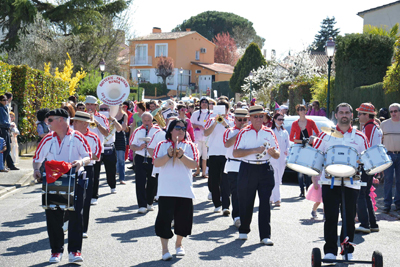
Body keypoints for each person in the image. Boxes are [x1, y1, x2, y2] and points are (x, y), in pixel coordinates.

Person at [32, 108, 91, 264]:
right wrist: (36, 169)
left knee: (76, 216)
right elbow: (38, 157)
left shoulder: (77, 137)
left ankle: (74, 251)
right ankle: (56, 251)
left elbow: (88, 156)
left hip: (75, 179)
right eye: (47, 121)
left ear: (62, 120)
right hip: (53, 180)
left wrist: (81, 162)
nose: (47, 123)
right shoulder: (47, 138)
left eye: (50, 120)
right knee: (53, 216)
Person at [313, 103, 370, 261]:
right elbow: (317, 154)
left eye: (347, 113)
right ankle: (330, 251)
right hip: (329, 182)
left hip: (352, 183)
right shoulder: (325, 135)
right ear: (336, 116)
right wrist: (314, 175)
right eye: (341, 112)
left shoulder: (360, 136)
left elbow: (366, 158)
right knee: (330, 217)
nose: (344, 115)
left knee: (349, 217)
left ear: (352, 116)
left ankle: (347, 250)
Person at [233, 105, 280, 245]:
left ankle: (265, 235)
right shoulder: (244, 132)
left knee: (265, 202)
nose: (259, 119)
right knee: (246, 201)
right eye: (256, 116)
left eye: (261, 116)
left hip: (265, 168)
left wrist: (273, 153)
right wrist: (254, 150)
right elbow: (235, 153)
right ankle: (244, 230)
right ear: (250, 118)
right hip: (248, 167)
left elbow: (277, 154)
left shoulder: (269, 132)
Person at [153, 119, 199, 261]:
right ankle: (165, 249)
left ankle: (179, 244)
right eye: (177, 128)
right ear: (171, 130)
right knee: (164, 220)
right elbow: (156, 163)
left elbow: (194, 165)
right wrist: (168, 155)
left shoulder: (190, 146)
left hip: (184, 189)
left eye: (183, 128)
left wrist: (181, 156)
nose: (181, 131)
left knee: (183, 220)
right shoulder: (162, 145)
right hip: (166, 189)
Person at [72, 111, 102, 239]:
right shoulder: (68, 135)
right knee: (69, 198)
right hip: (71, 168)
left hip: (87, 168)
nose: (72, 124)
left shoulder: (94, 137)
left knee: (85, 199)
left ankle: (83, 228)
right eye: (73, 121)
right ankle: (69, 223)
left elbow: (97, 156)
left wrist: (84, 157)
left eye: (75, 122)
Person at [204, 100, 234, 214]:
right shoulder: (211, 120)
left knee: (225, 181)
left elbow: (232, 134)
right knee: (214, 180)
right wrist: (216, 123)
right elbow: (206, 133)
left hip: (226, 154)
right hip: (213, 153)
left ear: (227, 110)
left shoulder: (231, 121)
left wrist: (225, 124)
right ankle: (217, 204)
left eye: (224, 109)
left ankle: (226, 206)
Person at [355, 103, 381, 233]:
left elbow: (367, 147)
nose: (358, 116)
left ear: (367, 115)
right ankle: (373, 223)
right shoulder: (374, 126)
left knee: (361, 193)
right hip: (372, 163)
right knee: (365, 194)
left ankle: (365, 224)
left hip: (367, 163)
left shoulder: (369, 127)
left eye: (360, 114)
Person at [130, 112, 162, 213]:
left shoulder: (158, 131)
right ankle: (142, 205)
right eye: (144, 121)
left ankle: (149, 202)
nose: (147, 123)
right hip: (140, 157)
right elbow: (131, 145)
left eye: (148, 120)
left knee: (153, 181)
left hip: (152, 158)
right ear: (142, 121)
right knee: (140, 181)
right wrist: (139, 147)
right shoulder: (137, 131)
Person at [223, 108, 249, 227]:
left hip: (247, 164)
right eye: (240, 120)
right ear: (235, 120)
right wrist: (240, 132)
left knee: (246, 193)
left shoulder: (250, 132)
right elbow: (227, 143)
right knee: (236, 192)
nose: (242, 122)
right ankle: (237, 217)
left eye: (244, 119)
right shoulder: (230, 131)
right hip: (233, 165)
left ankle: (243, 216)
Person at [290, 104, 320, 197]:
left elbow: (318, 134)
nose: (302, 111)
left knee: (308, 170)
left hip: (309, 147)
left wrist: (312, 138)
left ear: (306, 111)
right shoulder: (295, 123)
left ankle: (308, 189)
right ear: (298, 112)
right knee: (300, 172)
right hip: (299, 147)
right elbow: (291, 138)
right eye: (300, 109)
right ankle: (301, 190)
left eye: (303, 109)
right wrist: (301, 141)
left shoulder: (311, 122)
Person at [85, 96, 110, 205]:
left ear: (96, 106)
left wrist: (96, 122)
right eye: (88, 104)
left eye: (92, 105)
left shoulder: (102, 117)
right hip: (83, 148)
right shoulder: (81, 116)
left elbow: (106, 133)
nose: (89, 107)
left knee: (95, 174)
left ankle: (94, 195)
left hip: (96, 149)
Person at [98, 103, 123, 194]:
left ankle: (112, 186)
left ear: (109, 110)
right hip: (99, 148)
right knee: (96, 171)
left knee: (111, 170)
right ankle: (94, 193)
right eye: (101, 109)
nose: (104, 111)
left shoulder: (113, 120)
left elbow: (120, 129)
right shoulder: (97, 119)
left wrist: (113, 120)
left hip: (109, 147)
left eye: (105, 109)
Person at [380, 103, 400, 213]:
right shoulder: (384, 124)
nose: (393, 113)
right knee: (387, 180)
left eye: (395, 111)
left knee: (399, 181)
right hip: (388, 155)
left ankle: (398, 204)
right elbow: (380, 140)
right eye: (391, 111)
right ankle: (387, 204)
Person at [270, 113, 290, 207]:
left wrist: (287, 150)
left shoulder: (285, 132)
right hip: (273, 157)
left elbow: (288, 144)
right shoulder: (271, 131)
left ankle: (271, 197)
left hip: (282, 158)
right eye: (279, 119)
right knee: (275, 178)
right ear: (274, 120)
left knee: (279, 177)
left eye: (282, 119)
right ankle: (277, 199)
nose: (281, 121)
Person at [190, 97, 210, 177]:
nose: (204, 103)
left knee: (205, 156)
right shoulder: (195, 113)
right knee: (197, 155)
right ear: (200, 104)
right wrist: (198, 126)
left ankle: (204, 172)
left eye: (206, 102)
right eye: (203, 102)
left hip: (207, 138)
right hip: (197, 137)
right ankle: (197, 170)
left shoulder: (210, 114)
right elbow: (191, 124)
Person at [0, 95, 18, 171]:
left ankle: (5, 165)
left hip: (6, 129)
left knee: (7, 148)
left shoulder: (5, 108)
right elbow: (1, 122)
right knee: (4, 148)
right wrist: (9, 124)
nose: (6, 101)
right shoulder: (1, 109)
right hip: (2, 129)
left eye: (6, 100)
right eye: (4, 100)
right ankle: (2, 166)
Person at [115, 105, 128, 184]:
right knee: (114, 160)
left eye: (120, 105)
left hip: (121, 139)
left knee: (121, 160)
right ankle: (113, 176)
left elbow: (124, 127)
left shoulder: (124, 115)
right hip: (113, 138)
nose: (118, 107)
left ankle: (122, 178)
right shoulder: (112, 114)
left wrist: (115, 123)